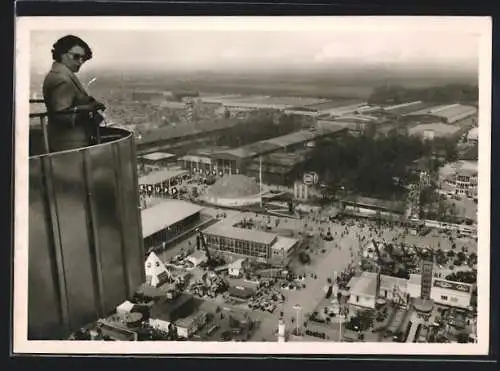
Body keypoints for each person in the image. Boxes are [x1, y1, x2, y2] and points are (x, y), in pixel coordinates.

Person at [42, 35, 106, 152]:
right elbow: (62, 116)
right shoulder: (61, 79)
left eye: (83, 58)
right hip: (69, 144)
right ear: (62, 54)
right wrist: (89, 107)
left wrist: (86, 102)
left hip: (68, 142)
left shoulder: (59, 75)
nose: (80, 61)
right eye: (76, 57)